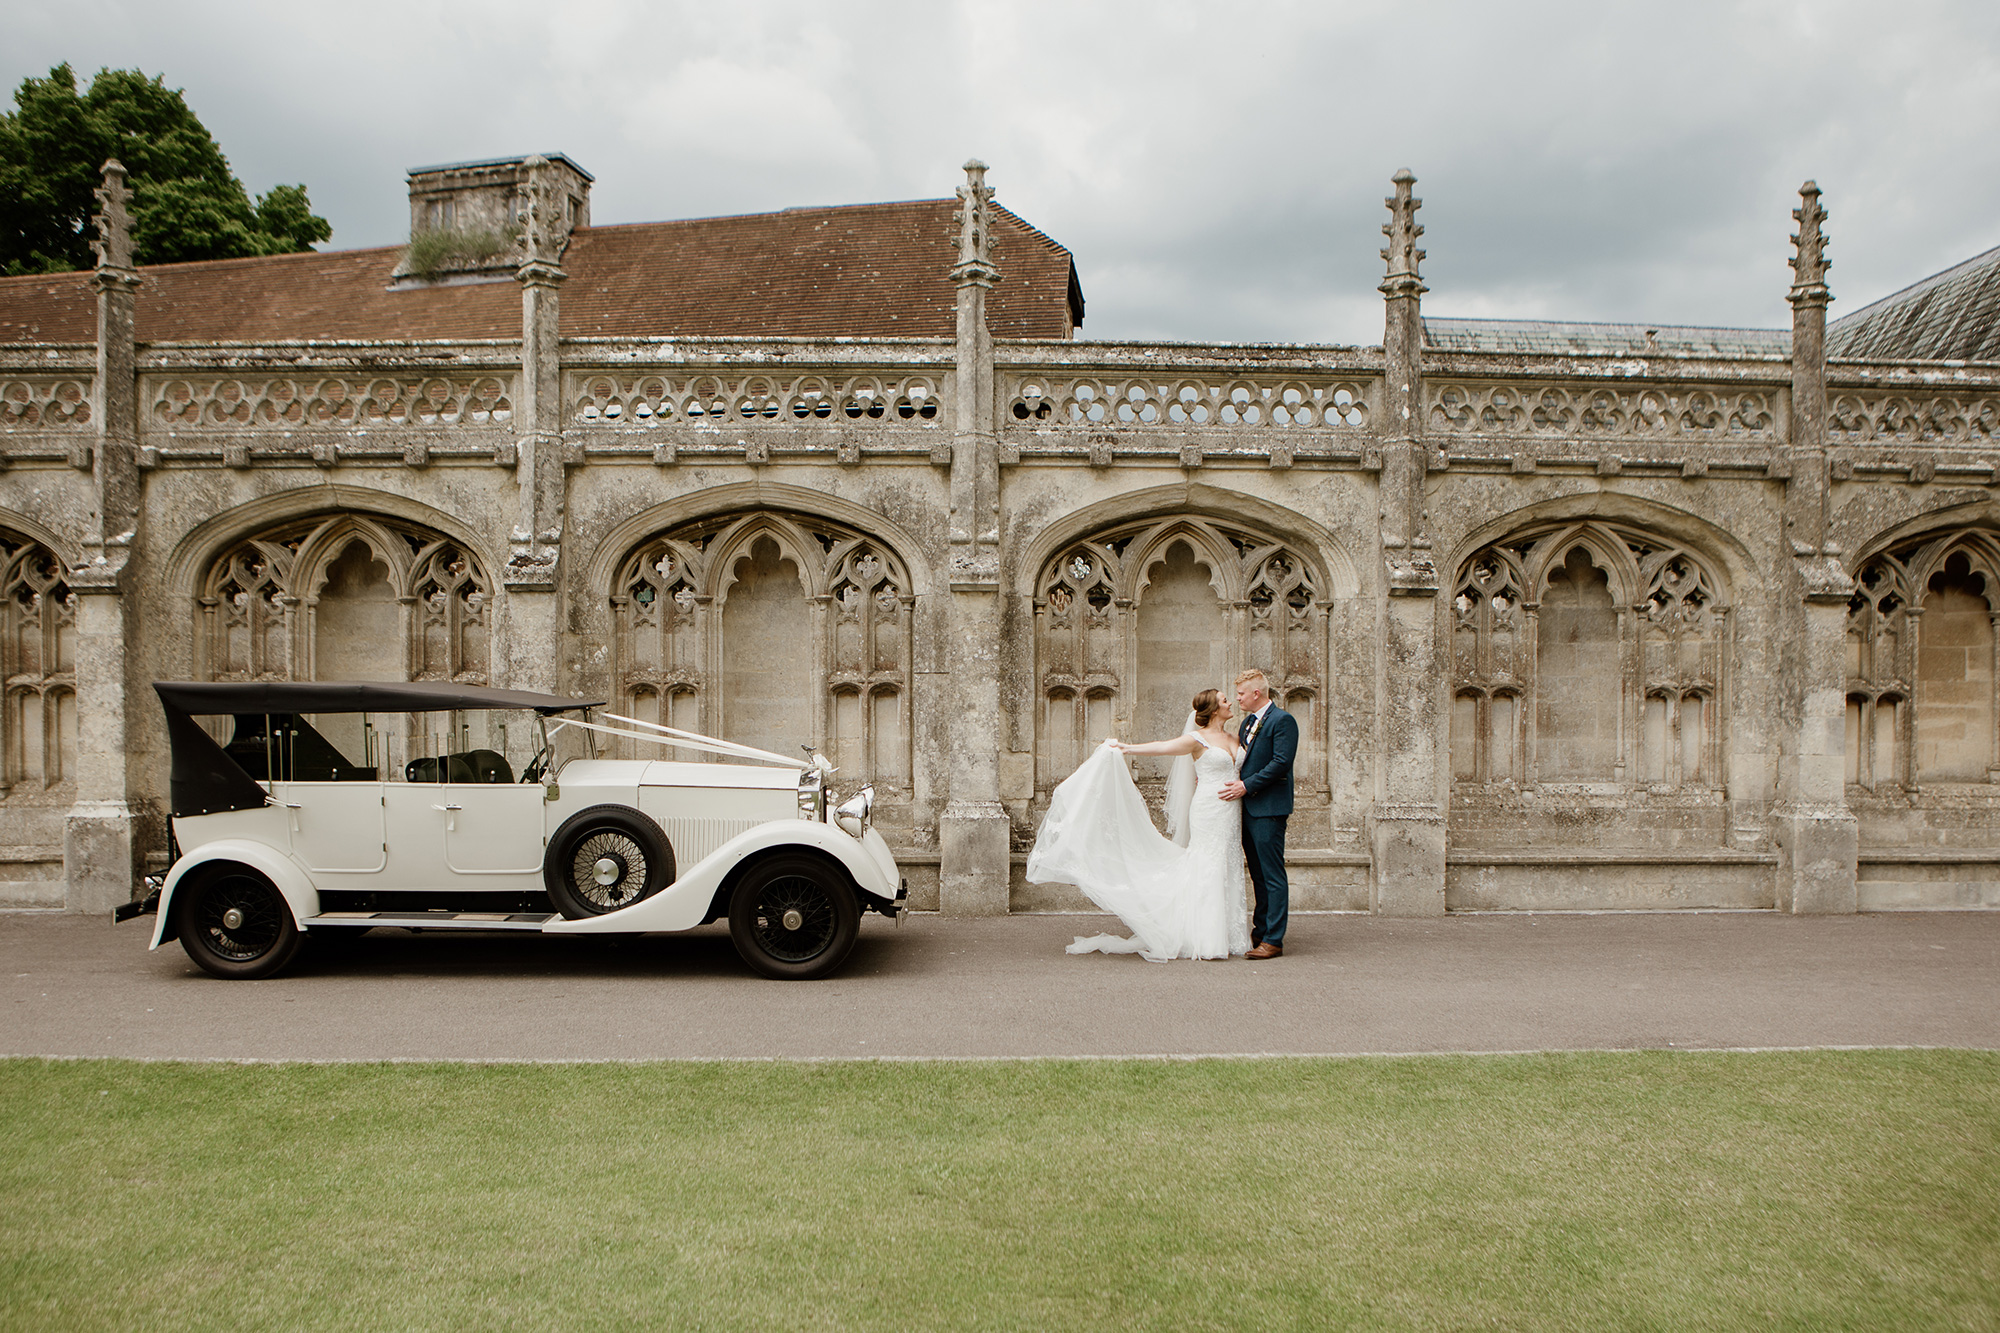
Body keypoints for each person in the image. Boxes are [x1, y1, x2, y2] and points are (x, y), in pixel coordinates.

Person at [1026, 687, 1251, 961]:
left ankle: (1229, 934)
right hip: (1208, 809)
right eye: (1225, 700)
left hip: (1231, 812)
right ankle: (1204, 937)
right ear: (1214, 709)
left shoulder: (1235, 736)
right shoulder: (1197, 740)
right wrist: (1126, 748)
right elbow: (1162, 747)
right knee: (1208, 864)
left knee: (1227, 861)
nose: (1231, 703)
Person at [1217, 668, 1296, 959]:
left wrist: (1245, 786)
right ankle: (1259, 933)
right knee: (1259, 876)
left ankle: (1274, 939)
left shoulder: (1282, 720)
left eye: (1240, 694)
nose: (1237, 698)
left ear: (1256, 693)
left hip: (1269, 809)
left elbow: (1280, 763)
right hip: (1248, 808)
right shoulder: (1248, 722)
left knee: (1272, 875)